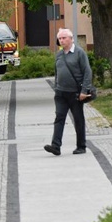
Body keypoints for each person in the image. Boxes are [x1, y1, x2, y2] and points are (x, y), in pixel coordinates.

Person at [44, 28, 93, 156]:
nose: (61, 40)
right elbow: (57, 72)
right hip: (61, 93)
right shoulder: (59, 55)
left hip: (75, 93)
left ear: (71, 39)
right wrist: (56, 87)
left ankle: (81, 146)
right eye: (59, 38)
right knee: (59, 117)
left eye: (64, 38)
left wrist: (84, 91)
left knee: (78, 119)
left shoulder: (79, 53)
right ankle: (56, 146)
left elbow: (87, 72)